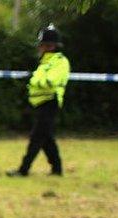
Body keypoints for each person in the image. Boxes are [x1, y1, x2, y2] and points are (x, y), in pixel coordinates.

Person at [8, 24, 71, 177]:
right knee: (46, 138)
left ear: (49, 46)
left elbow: (50, 81)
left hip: (50, 101)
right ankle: (57, 169)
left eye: (41, 45)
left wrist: (34, 81)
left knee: (37, 137)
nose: (39, 48)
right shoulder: (45, 62)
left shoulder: (60, 61)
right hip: (41, 104)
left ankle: (24, 169)